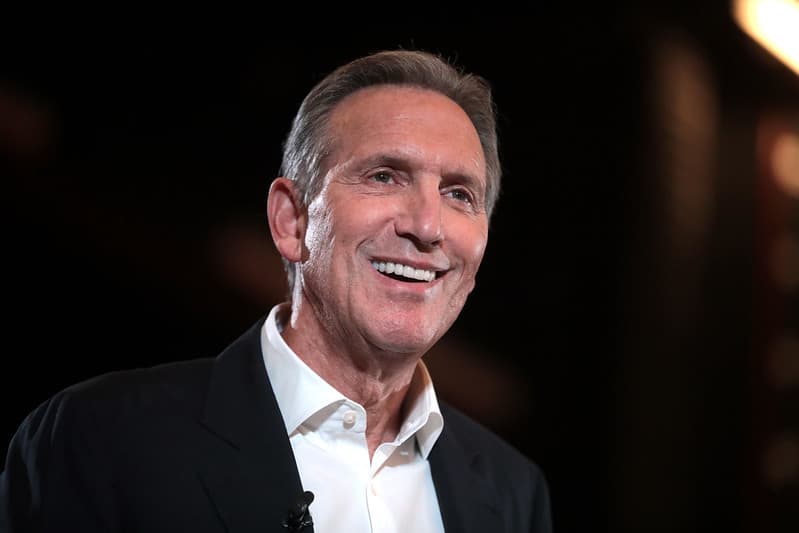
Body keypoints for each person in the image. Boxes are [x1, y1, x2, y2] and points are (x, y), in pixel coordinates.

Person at [0, 49, 552, 532]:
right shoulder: (104, 438)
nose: (428, 227)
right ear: (292, 220)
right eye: (384, 176)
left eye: (459, 194)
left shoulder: (513, 494)